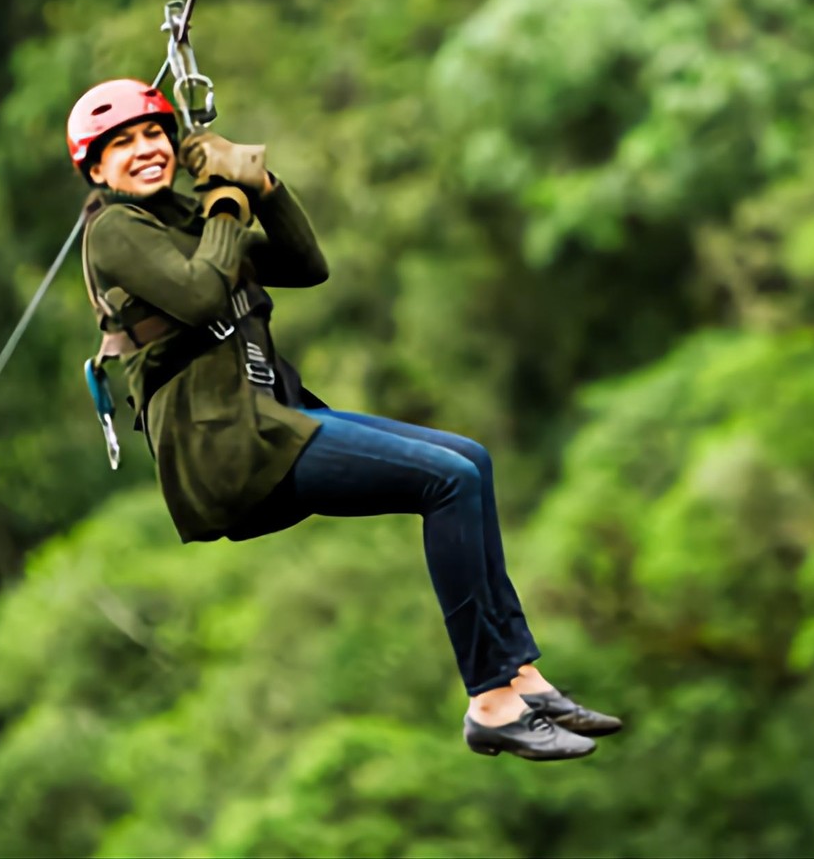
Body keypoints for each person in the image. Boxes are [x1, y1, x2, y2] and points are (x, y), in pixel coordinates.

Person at [67, 78, 622, 761]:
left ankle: (520, 676)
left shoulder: (185, 220)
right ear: (97, 170)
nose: (145, 149)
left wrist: (263, 186)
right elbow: (203, 293)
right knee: (444, 482)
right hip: (227, 450)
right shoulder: (115, 230)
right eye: (121, 145)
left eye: (153, 134)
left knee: (469, 461)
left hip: (270, 421)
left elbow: (307, 265)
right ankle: (491, 702)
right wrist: (225, 203)